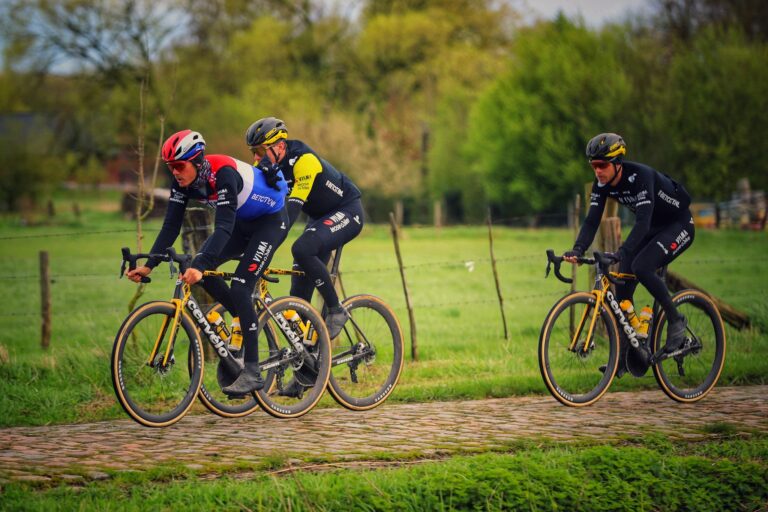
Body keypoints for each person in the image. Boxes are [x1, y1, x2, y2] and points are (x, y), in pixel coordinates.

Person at [126, 129, 289, 396]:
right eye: (171, 167)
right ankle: (241, 316)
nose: (175, 173)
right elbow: (171, 226)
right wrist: (149, 265)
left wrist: (199, 265)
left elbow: (223, 228)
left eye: (179, 166)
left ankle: (253, 371)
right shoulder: (181, 183)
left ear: (197, 160)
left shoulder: (223, 174)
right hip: (243, 223)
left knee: (238, 285)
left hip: (270, 223)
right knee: (203, 266)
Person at [245, 117, 364, 397]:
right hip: (320, 218)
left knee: (301, 248)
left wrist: (266, 247)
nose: (255, 158)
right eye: (253, 152)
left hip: (348, 211)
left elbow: (291, 212)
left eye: (260, 151)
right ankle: (305, 373)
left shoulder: (304, 161)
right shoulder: (264, 166)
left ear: (280, 146)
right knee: (298, 300)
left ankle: (336, 310)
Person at [564, 133, 694, 363]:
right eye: (593, 166)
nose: (597, 171)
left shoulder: (641, 177)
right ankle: (627, 355)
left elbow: (642, 224)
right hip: (654, 227)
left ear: (617, 163)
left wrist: (621, 251)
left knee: (641, 266)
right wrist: (577, 249)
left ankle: (676, 320)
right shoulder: (601, 184)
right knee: (622, 286)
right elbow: (592, 220)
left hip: (678, 224)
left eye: (602, 165)